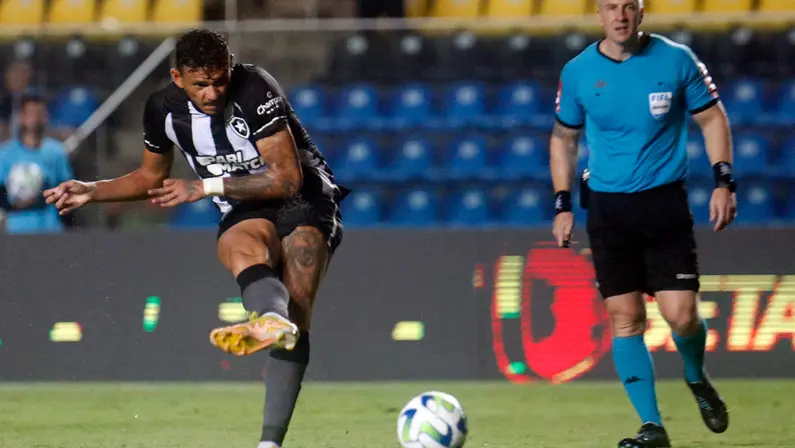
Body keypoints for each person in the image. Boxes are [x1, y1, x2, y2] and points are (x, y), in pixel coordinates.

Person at [43, 29, 347, 448]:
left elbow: (287, 178)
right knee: (238, 248)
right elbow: (151, 177)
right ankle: (270, 321)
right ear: (177, 77)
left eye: (219, 80)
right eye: (201, 84)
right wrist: (93, 190)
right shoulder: (162, 109)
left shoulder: (255, 88)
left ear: (230, 68)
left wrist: (205, 187)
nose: (212, 93)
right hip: (243, 204)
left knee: (298, 311)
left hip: (306, 197)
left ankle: (270, 432)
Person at [549, 1, 735, 447]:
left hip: (663, 205)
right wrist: (562, 204)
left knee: (682, 316)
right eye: (611, 7)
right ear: (599, 15)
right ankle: (652, 427)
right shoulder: (577, 72)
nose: (620, 15)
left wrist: (723, 181)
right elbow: (563, 138)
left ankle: (696, 376)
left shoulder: (676, 60)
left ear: (641, 12)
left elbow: (712, 118)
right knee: (625, 317)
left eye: (628, 6)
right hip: (608, 210)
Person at [0, 93, 74, 234]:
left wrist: (43, 194)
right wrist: (16, 204)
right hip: (18, 230)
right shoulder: (6, 153)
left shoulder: (57, 152)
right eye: (30, 113)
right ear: (21, 117)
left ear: (46, 116)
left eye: (39, 113)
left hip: (51, 229)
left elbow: (67, 190)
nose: (34, 118)